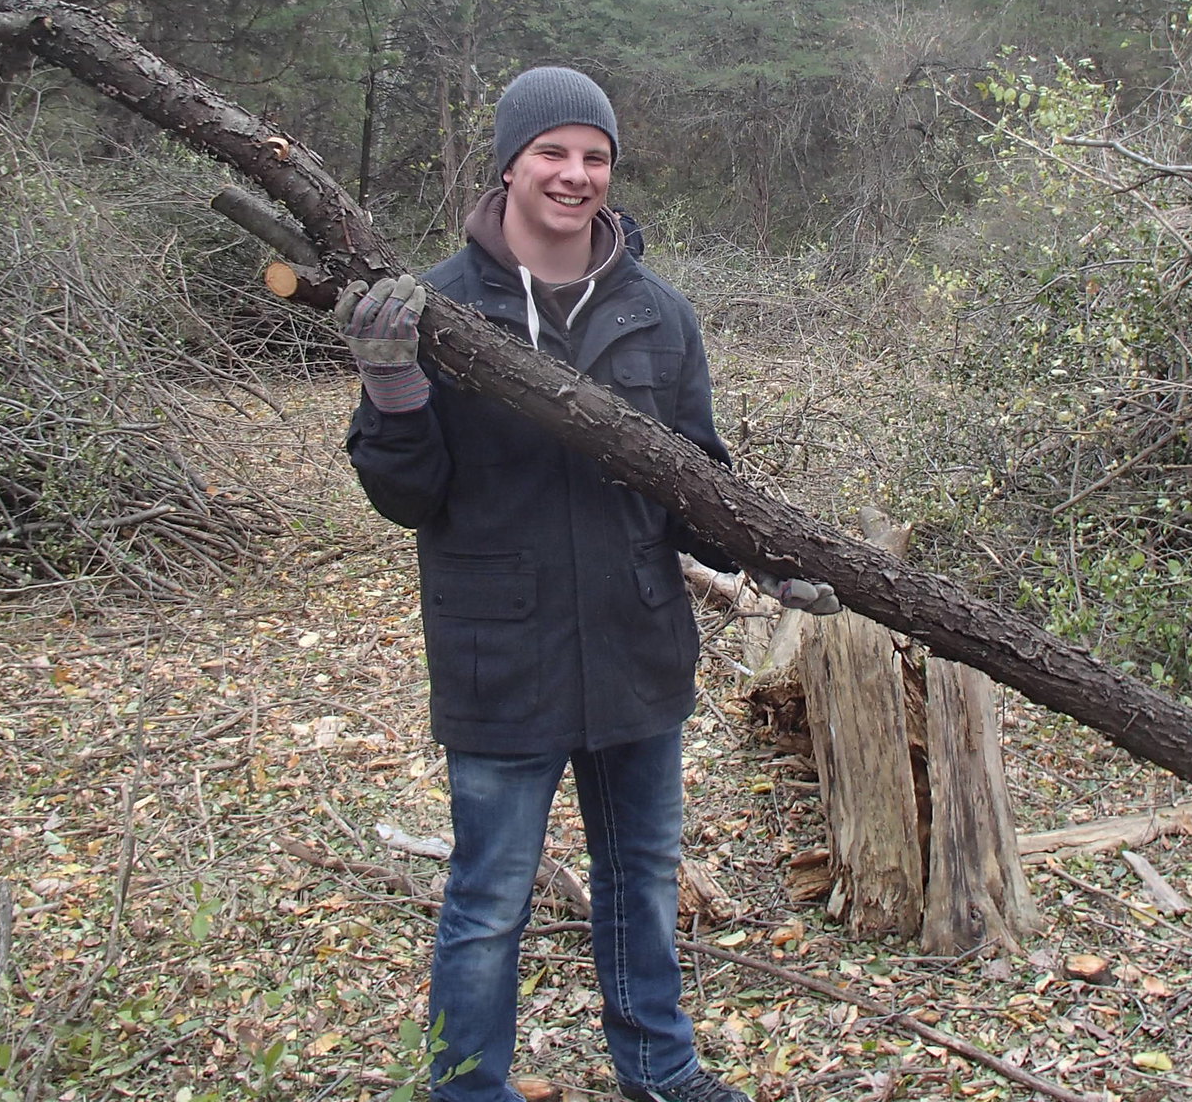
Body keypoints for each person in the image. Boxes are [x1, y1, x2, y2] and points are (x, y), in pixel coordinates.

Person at [338, 66, 839, 1102]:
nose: (574, 175)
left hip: (634, 642)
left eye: (593, 156)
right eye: (552, 153)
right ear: (510, 164)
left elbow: (696, 480)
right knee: (485, 901)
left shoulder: (659, 316)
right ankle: (466, 1088)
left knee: (640, 883)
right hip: (498, 653)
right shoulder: (431, 309)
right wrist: (393, 389)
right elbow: (408, 497)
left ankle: (657, 1070)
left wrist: (772, 559)